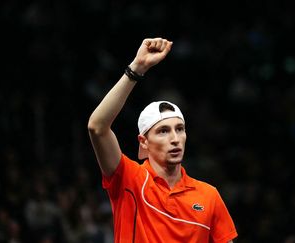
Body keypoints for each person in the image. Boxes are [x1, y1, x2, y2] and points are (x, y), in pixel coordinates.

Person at [88, 37, 238, 243]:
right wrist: (136, 69)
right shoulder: (128, 178)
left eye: (180, 129)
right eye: (163, 131)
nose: (175, 138)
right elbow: (97, 127)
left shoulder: (208, 195)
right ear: (143, 142)